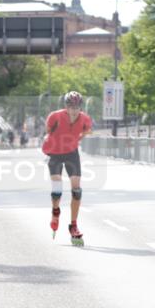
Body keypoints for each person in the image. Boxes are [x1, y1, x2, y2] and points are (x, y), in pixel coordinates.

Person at [41, 91, 93, 246]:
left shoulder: (84, 119)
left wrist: (75, 140)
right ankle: (55, 212)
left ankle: (73, 225)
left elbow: (87, 131)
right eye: (71, 107)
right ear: (66, 106)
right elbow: (49, 131)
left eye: (77, 107)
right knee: (57, 189)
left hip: (71, 153)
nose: (74, 110)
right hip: (55, 153)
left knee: (76, 191)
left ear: (80, 107)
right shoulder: (55, 116)